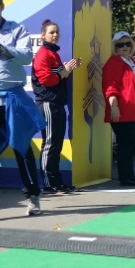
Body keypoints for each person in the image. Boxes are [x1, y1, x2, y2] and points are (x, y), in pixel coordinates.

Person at [0, 0, 46, 221]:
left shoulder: (16, 30)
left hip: (12, 97)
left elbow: (26, 57)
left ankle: (33, 196)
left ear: (1, 6)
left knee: (22, 148)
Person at [32, 19, 79, 194]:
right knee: (50, 143)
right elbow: (47, 80)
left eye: (57, 32)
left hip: (57, 102)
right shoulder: (43, 54)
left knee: (57, 144)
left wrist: (67, 68)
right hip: (47, 103)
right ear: (43, 35)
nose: (55, 35)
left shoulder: (53, 53)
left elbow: (57, 75)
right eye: (52, 32)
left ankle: (57, 181)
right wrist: (65, 71)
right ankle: (49, 183)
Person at [102, 31, 135, 187]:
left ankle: (129, 175)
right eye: (120, 45)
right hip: (123, 109)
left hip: (134, 109)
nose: (124, 47)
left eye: (127, 44)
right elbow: (110, 85)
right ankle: (126, 177)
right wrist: (113, 105)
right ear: (114, 47)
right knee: (125, 145)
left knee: (130, 144)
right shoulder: (114, 62)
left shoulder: (131, 62)